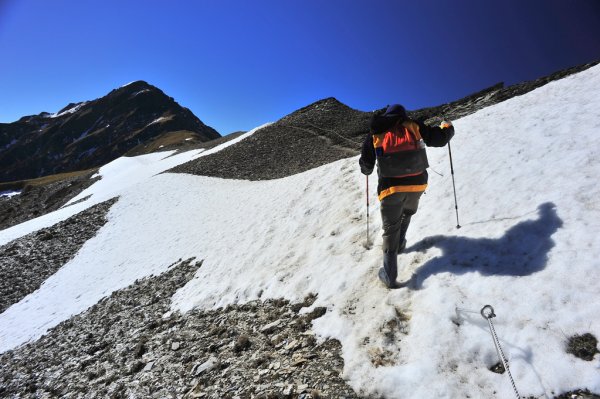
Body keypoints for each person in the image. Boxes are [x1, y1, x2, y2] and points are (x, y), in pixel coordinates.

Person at [359, 104, 454, 288]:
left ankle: (389, 274)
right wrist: (447, 127)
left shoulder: (376, 133)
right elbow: (441, 139)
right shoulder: (415, 126)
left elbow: (367, 166)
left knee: (390, 228)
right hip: (417, 184)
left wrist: (365, 167)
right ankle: (401, 243)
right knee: (408, 212)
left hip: (390, 188)